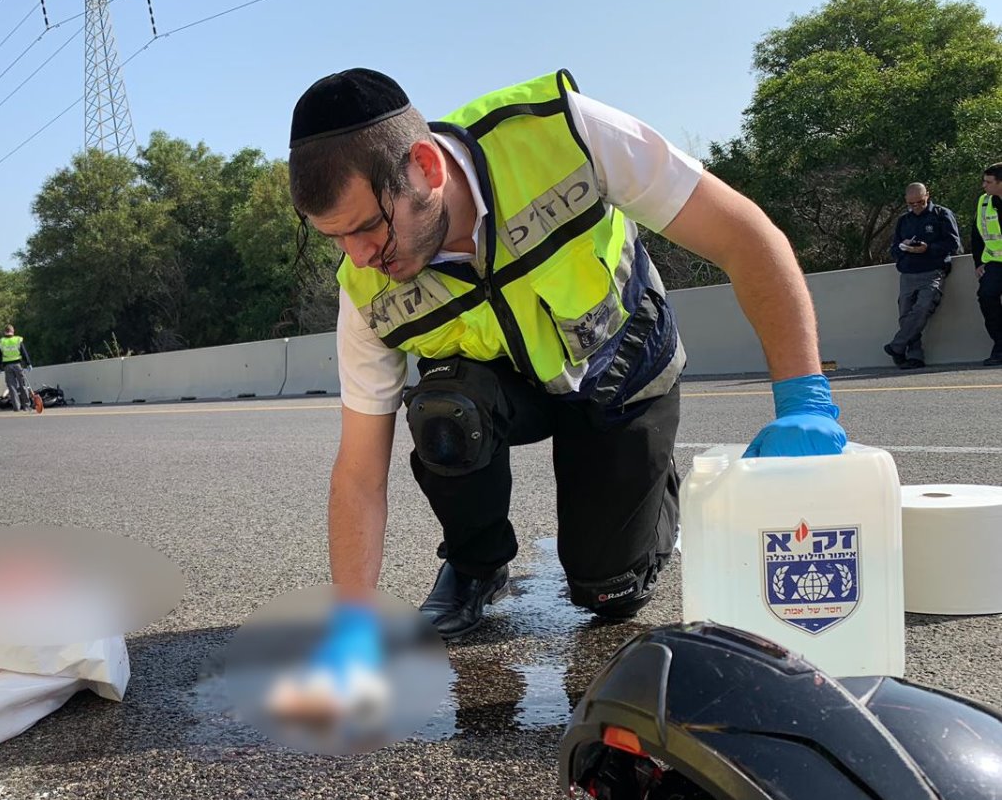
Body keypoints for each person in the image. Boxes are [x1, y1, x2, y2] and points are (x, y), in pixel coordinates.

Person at [283, 67, 848, 671]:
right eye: (335, 238)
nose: (361, 256)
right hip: (509, 386)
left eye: (369, 226)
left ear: (425, 165)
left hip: (620, 365)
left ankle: (651, 488)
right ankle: (476, 565)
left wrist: (804, 397)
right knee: (444, 409)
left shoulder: (564, 136)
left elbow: (744, 235)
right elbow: (360, 470)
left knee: (607, 592)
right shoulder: (365, 291)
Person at [885, 182, 961, 369]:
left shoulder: (941, 215)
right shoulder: (904, 220)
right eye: (911, 204)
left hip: (932, 270)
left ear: (928, 195)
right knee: (906, 315)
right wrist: (904, 247)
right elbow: (893, 249)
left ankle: (897, 345)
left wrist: (928, 248)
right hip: (908, 272)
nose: (916, 207)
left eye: (920, 202)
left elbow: (953, 244)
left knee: (922, 308)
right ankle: (914, 355)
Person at [973, 162, 1002, 366]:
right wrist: (978, 263)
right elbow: (976, 234)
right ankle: (1000, 346)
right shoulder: (984, 202)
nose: (984, 185)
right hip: (995, 262)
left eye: (988, 182)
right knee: (986, 297)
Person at [0, 324, 34, 411]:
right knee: (22, 385)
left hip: (7, 366)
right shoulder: (17, 339)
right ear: (13, 331)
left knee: (12, 387)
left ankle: (16, 407)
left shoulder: (1, 341)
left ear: (5, 332)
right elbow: (23, 352)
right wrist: (28, 363)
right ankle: (26, 406)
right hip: (17, 365)